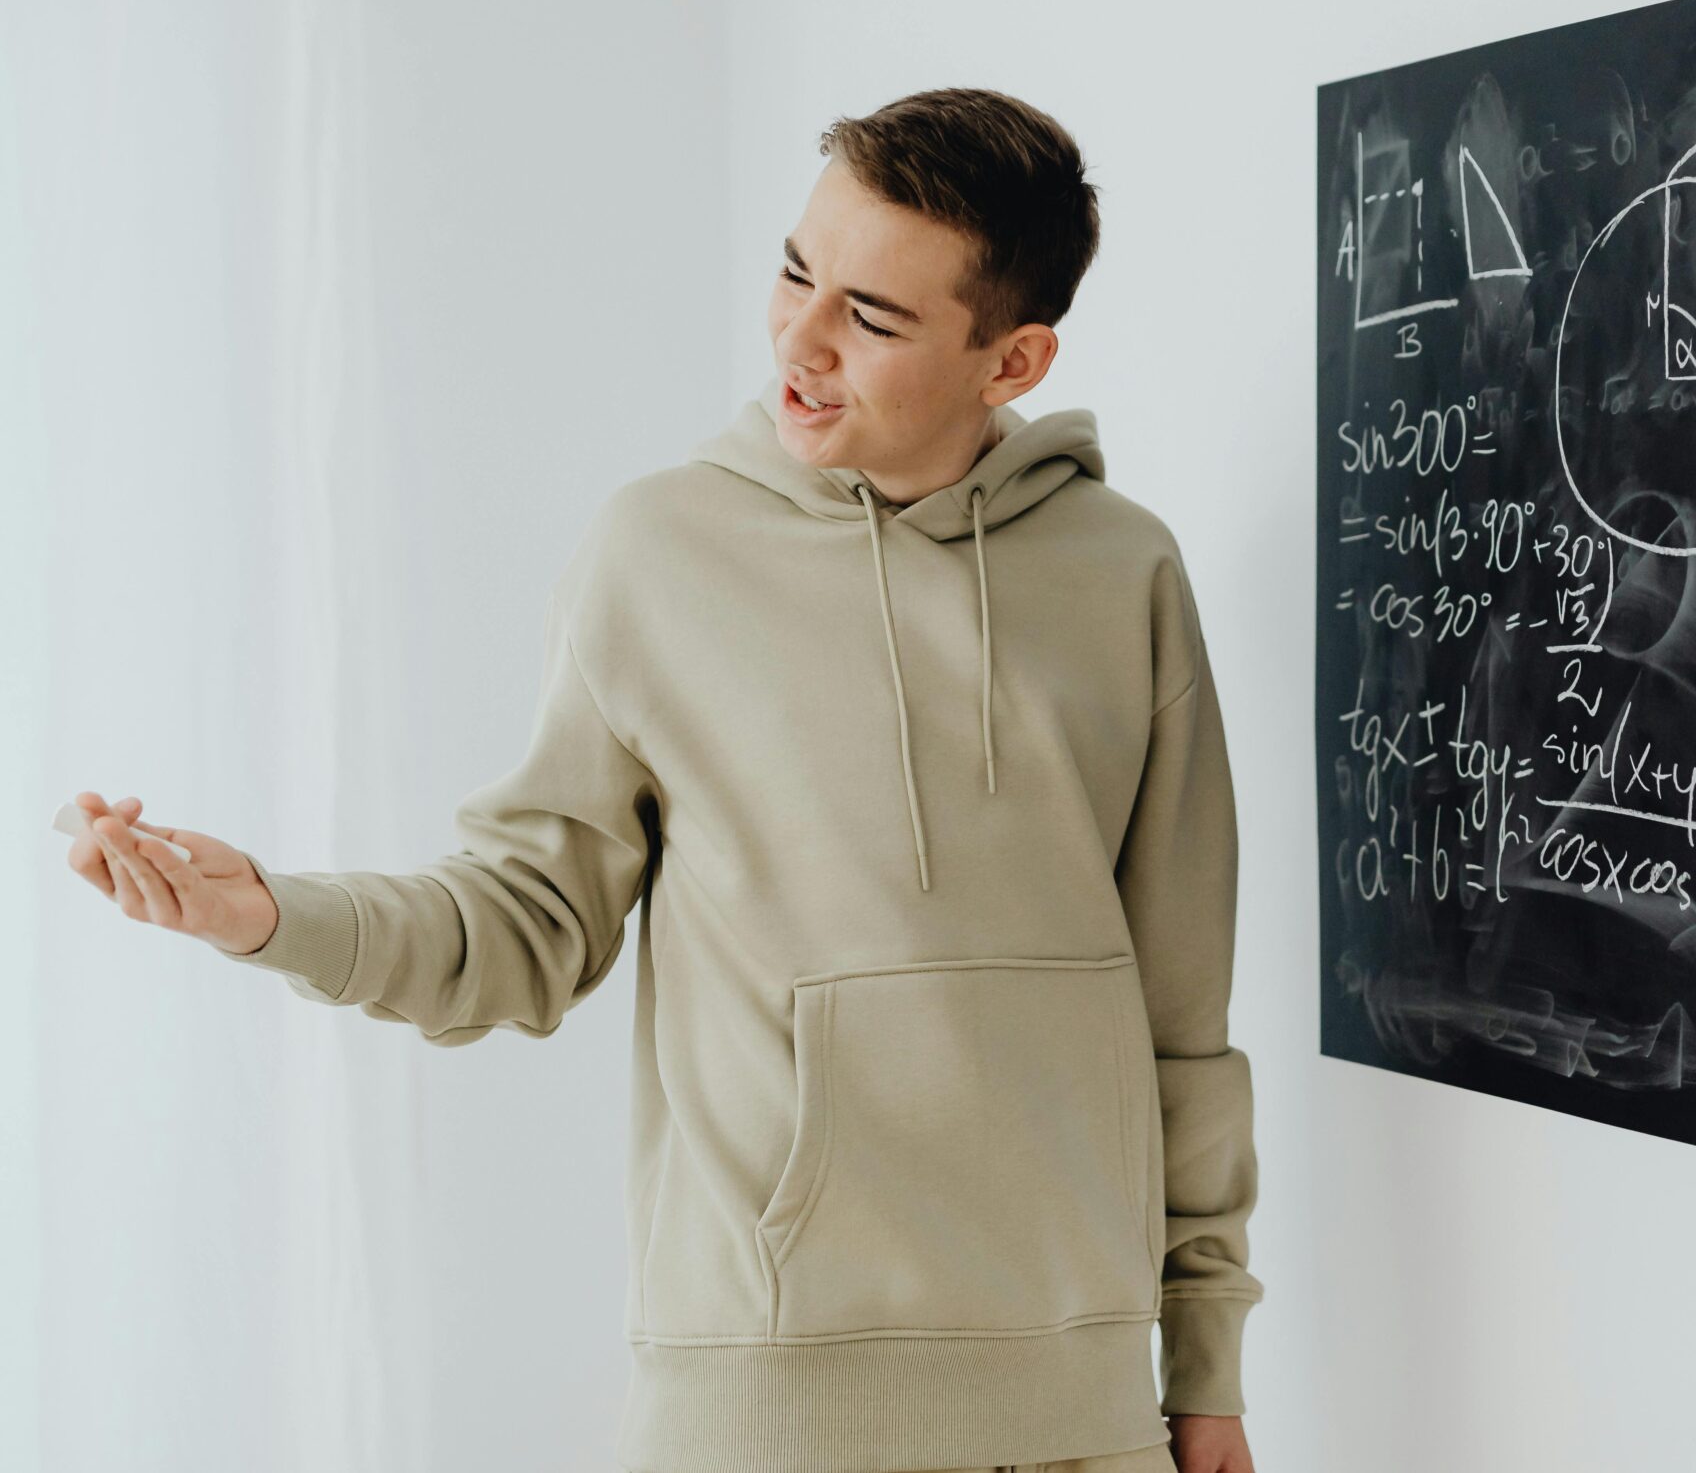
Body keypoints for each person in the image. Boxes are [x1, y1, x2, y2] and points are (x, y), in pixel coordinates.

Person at [62, 88, 1263, 1473]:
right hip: (760, 1409)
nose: (800, 344)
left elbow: (1184, 1014)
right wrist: (275, 915)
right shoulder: (660, 553)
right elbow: (524, 926)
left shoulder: (1125, 573)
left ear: (1014, 360)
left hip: (1081, 1418)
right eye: (798, 274)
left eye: (872, 318)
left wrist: (1207, 1367)